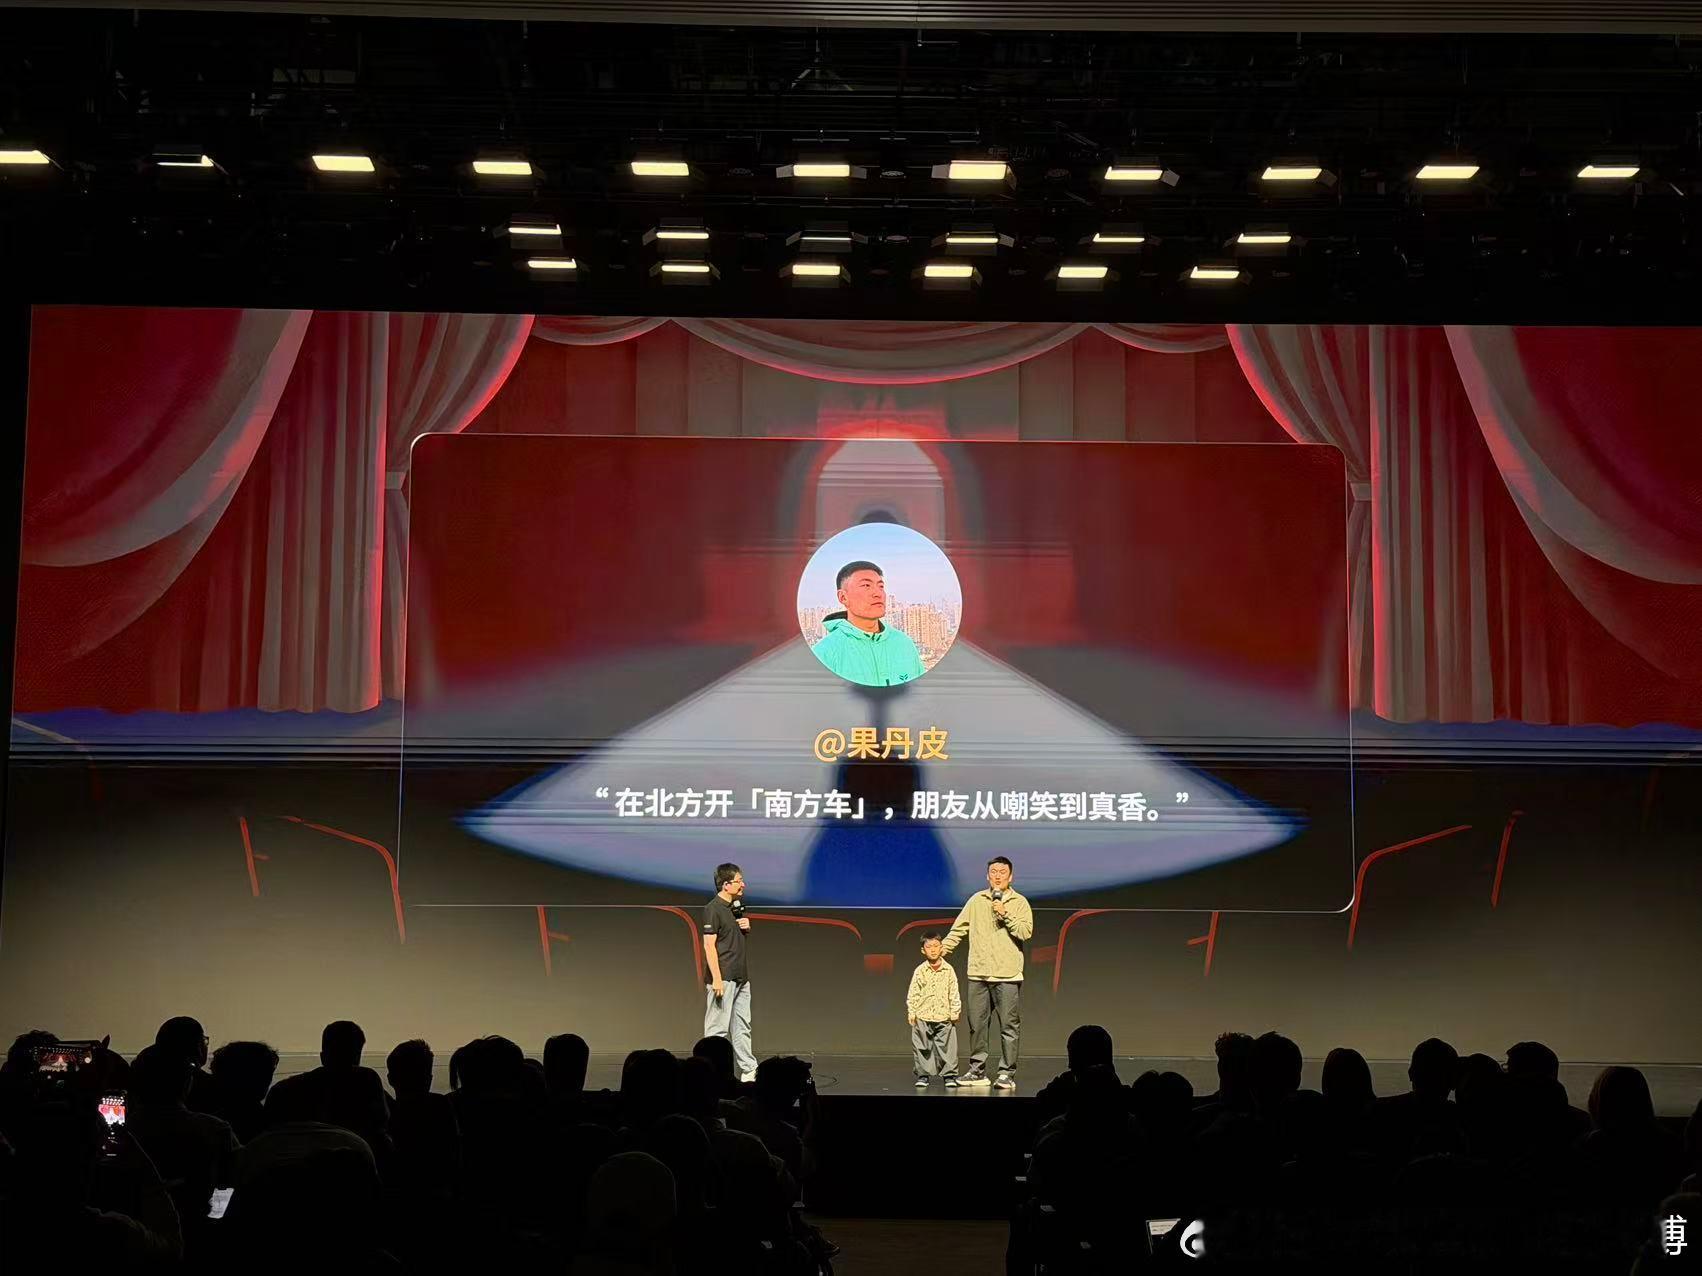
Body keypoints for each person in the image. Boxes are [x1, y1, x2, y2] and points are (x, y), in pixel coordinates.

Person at [939, 856, 1034, 1090]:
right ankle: (977, 1071)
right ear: (987, 876)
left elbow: (1025, 932)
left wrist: (1005, 913)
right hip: (978, 973)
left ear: (1011, 876)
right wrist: (943, 950)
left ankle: (1006, 1073)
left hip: (1007, 975)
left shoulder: (1019, 902)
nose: (998, 876)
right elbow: (958, 929)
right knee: (977, 1025)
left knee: (1008, 1026)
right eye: (993, 872)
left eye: (1002, 872)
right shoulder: (976, 900)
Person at [808, 560, 926, 687]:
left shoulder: (904, 643)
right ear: (843, 597)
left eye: (881, 586)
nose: (878, 593)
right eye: (866, 585)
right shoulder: (824, 653)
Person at [702, 863, 755, 1084]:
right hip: (723, 977)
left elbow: (731, 938)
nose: (743, 885)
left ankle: (749, 1070)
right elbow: (709, 946)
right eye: (739, 881)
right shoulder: (712, 909)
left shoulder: (735, 907)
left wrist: (745, 927)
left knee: (742, 1026)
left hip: (741, 976)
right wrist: (716, 978)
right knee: (717, 1031)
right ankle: (712, 1073)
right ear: (726, 884)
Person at [905, 931, 962, 1089]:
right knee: (922, 1046)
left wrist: (955, 1011)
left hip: (944, 1016)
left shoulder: (948, 970)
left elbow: (954, 991)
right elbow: (913, 992)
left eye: (936, 946)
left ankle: (949, 1075)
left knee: (948, 1047)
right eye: (929, 947)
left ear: (941, 947)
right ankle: (923, 1075)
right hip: (923, 1015)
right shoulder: (920, 970)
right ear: (923, 950)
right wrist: (912, 1011)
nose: (933, 949)